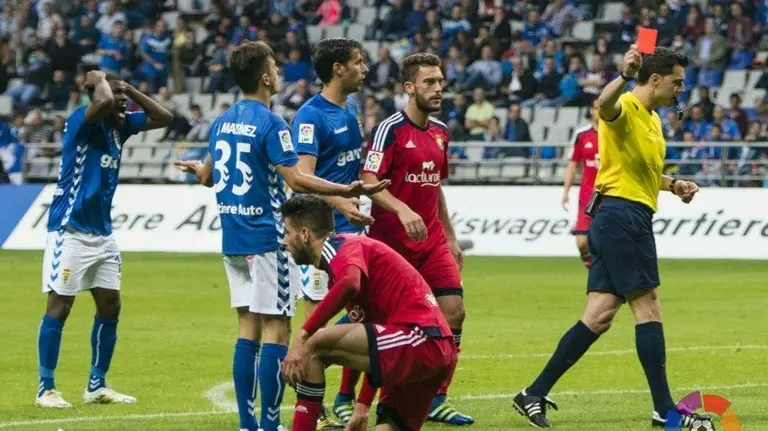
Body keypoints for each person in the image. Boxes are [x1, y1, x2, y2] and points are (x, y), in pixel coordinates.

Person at [174, 41, 389, 431]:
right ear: (265, 77)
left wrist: (197, 170)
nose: (279, 70)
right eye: (274, 64)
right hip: (268, 239)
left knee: (246, 329)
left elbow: (209, 176)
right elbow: (296, 179)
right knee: (278, 329)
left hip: (233, 241)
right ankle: (270, 425)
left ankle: (247, 424)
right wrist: (344, 192)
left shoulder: (221, 121)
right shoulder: (271, 123)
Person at [512, 45, 710, 430]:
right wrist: (622, 73)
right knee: (648, 306)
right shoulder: (627, 109)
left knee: (599, 315)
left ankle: (532, 393)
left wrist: (675, 185)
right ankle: (665, 411)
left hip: (616, 215)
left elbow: (645, 173)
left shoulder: (652, 118)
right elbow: (604, 106)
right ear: (655, 79)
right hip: (623, 217)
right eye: (677, 82)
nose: (680, 90)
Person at [37, 71, 172, 408]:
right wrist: (100, 79)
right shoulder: (82, 121)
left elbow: (164, 117)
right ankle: (46, 389)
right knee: (59, 307)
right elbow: (103, 100)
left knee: (111, 306)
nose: (122, 101)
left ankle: (96, 384)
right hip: (70, 229)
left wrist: (132, 89)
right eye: (117, 95)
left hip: (102, 234)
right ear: (99, 93)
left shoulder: (119, 127)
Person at [359, 52, 473, 426]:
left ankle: (437, 398)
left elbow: (435, 186)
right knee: (382, 323)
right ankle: (354, 398)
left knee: (454, 313)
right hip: (392, 245)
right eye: (429, 82)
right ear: (409, 87)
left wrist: (451, 237)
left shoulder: (440, 131)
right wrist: (402, 210)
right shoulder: (390, 129)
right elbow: (370, 182)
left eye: (440, 81)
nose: (438, 88)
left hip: (433, 242)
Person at [279, 195, 457, 431]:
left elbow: (350, 283)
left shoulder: (342, 246)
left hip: (420, 339)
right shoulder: (348, 257)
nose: (284, 241)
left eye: (286, 232)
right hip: (428, 350)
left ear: (304, 234)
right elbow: (375, 344)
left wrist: (302, 334)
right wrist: (362, 407)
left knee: (313, 345)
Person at [289, 37, 371, 428]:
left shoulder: (351, 107)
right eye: (358, 62)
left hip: (350, 232)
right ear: (338, 68)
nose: (365, 68)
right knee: (315, 326)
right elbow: (301, 178)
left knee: (363, 311)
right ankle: (312, 408)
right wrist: (342, 203)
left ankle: (342, 397)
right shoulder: (310, 116)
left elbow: (347, 169)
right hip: (319, 234)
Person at [561, 100, 600, 269]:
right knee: (582, 242)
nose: (600, 111)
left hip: (611, 195)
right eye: (597, 107)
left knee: (607, 243)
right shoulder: (582, 135)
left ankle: (604, 281)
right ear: (591, 110)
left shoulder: (616, 134)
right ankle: (594, 273)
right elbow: (573, 163)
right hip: (587, 196)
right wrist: (566, 191)